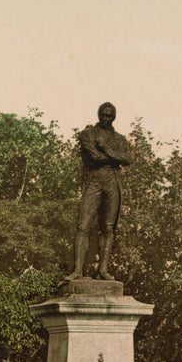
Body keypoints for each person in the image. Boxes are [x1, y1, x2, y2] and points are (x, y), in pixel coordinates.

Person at [68, 101, 133, 280]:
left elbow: (127, 159)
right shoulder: (88, 134)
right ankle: (77, 270)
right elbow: (94, 157)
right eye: (103, 115)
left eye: (109, 116)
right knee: (83, 226)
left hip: (112, 182)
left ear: (114, 117)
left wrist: (106, 149)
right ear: (98, 114)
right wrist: (114, 158)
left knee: (108, 228)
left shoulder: (120, 139)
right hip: (94, 181)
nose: (106, 118)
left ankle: (103, 270)